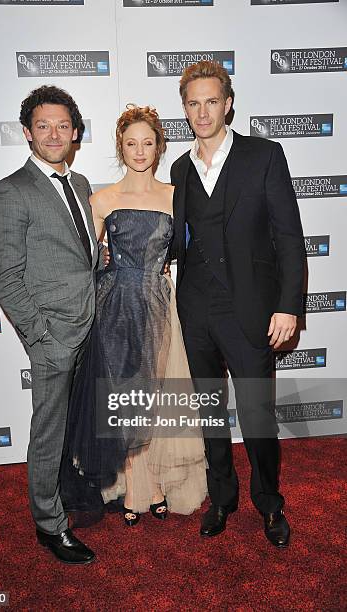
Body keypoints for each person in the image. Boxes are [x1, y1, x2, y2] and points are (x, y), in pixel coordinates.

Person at [170, 61, 305, 547]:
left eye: (211, 101)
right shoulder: (180, 168)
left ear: (228, 103)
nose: (202, 112)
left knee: (256, 414)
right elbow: (182, 238)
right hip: (196, 310)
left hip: (249, 310)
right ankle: (221, 496)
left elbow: (289, 237)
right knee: (210, 411)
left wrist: (288, 306)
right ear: (184, 108)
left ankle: (269, 502)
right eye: (192, 103)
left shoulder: (264, 156)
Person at [60, 105, 207, 526]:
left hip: (160, 304)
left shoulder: (177, 196)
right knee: (124, 397)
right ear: (120, 148)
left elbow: (192, 250)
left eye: (147, 143)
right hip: (115, 307)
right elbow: (81, 261)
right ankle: (132, 483)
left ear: (159, 147)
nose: (139, 151)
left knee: (157, 396)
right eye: (131, 143)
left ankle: (156, 481)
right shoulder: (102, 200)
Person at [0, 85, 98, 564]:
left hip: (91, 326)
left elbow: (78, 255)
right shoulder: (12, 190)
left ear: (75, 132)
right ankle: (50, 526)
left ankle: (72, 494)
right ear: (28, 133)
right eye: (43, 125)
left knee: (78, 427)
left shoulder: (82, 184)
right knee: (49, 433)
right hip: (53, 335)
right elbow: (4, 276)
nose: (54, 133)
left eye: (63, 125)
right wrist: (41, 336)